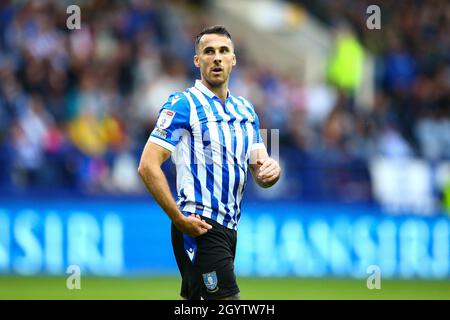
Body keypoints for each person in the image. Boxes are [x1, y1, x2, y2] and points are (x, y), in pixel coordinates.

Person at [138, 25, 281, 300]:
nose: (217, 57)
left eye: (223, 51)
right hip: (200, 223)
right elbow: (147, 165)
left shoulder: (246, 110)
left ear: (234, 59)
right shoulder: (183, 104)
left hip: (229, 228)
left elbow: (261, 169)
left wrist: (273, 170)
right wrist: (179, 219)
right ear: (197, 60)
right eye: (209, 51)